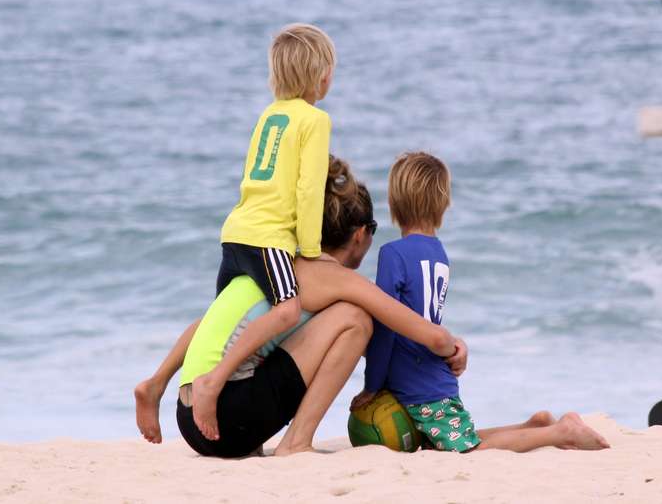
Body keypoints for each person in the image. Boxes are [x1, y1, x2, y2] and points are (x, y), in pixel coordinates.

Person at [134, 157, 465, 457]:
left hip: (188, 415)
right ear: (361, 234)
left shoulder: (276, 263)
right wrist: (451, 346)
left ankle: (154, 384)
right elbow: (399, 326)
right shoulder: (333, 278)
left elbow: (209, 323)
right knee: (357, 320)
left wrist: (161, 380)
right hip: (228, 420)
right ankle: (297, 442)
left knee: (233, 319)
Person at [351, 152, 610, 453]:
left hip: (419, 385)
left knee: (466, 450)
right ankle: (533, 427)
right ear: (443, 205)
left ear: (394, 203)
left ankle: (560, 433)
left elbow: (385, 328)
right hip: (430, 377)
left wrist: (372, 385)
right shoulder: (438, 253)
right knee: (453, 439)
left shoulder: (392, 254)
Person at [194, 23, 338, 442]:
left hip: (235, 231)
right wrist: (310, 249)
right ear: (321, 76)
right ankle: (213, 383)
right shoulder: (315, 120)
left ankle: (199, 392)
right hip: (268, 238)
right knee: (288, 311)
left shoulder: (269, 115)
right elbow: (309, 190)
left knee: (225, 324)